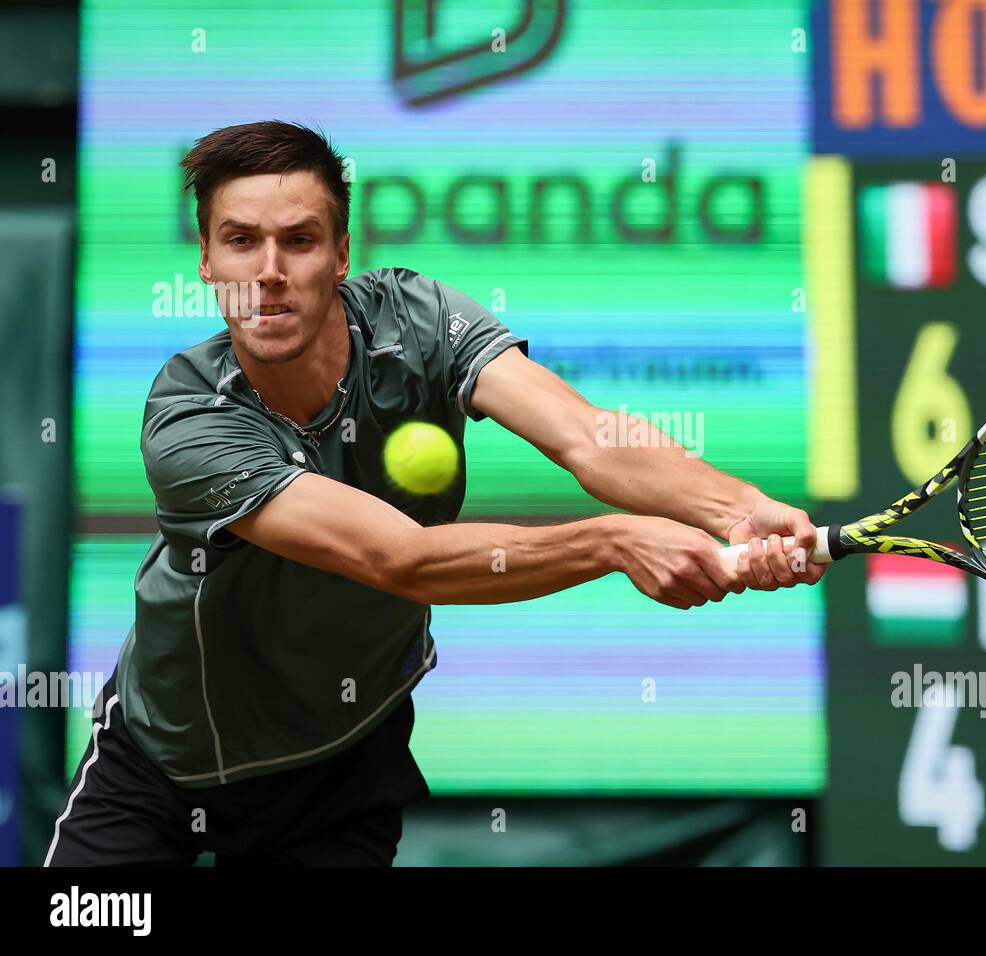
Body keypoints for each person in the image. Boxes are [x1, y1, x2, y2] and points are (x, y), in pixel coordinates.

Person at [45, 120, 825, 866]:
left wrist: (738, 509)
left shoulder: (419, 321)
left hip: (345, 755)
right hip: (167, 759)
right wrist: (614, 542)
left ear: (343, 252)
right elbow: (400, 561)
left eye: (301, 240)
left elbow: (587, 436)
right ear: (208, 262)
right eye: (242, 241)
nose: (269, 271)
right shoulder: (190, 419)